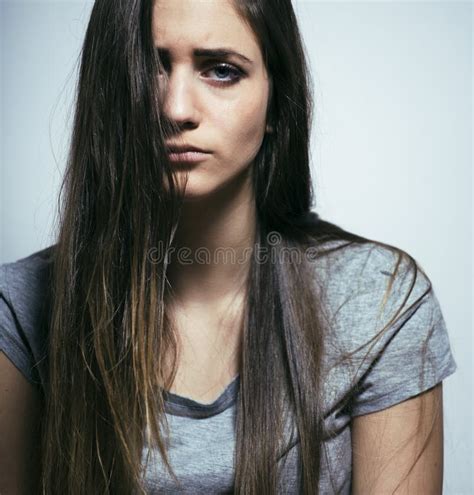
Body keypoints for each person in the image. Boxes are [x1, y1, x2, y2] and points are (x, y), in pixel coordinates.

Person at [0, 0, 457, 494]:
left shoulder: (378, 306)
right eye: (147, 67)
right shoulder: (24, 310)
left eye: (221, 71)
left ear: (276, 103)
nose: (175, 109)